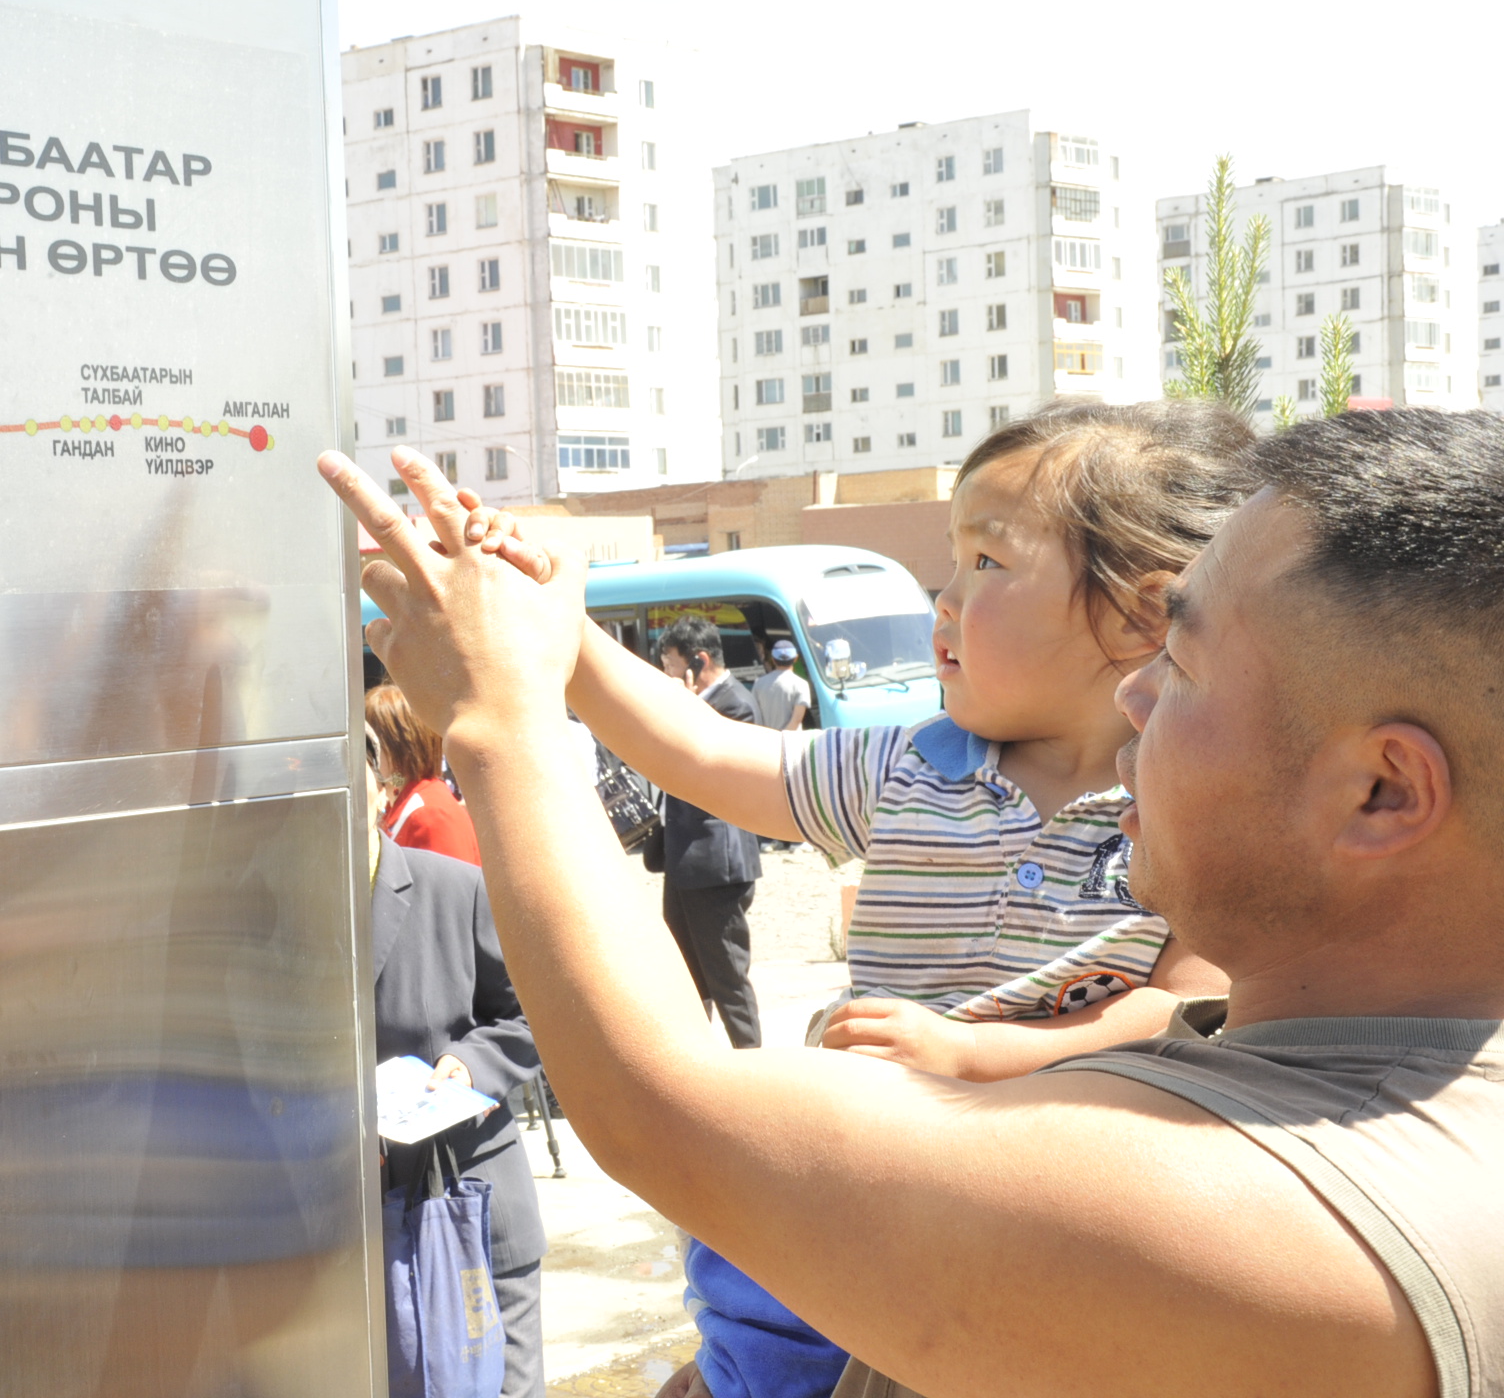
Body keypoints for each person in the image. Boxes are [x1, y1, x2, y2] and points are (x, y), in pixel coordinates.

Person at [320, 407, 1504, 1398]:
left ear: (1380, 790)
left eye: (1181, 667)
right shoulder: (1347, 1086)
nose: (1136, 697)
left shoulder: (1284, 1213)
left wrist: (501, 713)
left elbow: (670, 1118)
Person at [365, 744, 548, 1398]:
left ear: (381, 790)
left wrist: (470, 1065)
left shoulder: (455, 888)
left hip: (468, 1199)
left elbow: (532, 1014)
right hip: (361, 1225)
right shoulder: (285, 910)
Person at [655, 615, 764, 1049]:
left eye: (669, 663)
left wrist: (683, 706)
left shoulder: (736, 703)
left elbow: (706, 763)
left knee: (726, 975)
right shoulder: (702, 700)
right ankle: (695, 1062)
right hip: (685, 861)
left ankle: (753, 1064)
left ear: (697, 662)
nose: (665, 673)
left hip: (718, 864)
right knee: (683, 972)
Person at [368, 681, 481, 865]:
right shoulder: (404, 798)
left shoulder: (432, 814)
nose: (365, 755)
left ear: (397, 745)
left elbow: (448, 889)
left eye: (372, 744)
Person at [751, 639, 811, 733]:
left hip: (765, 740)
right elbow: (797, 719)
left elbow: (754, 714)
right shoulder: (801, 684)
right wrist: (781, 739)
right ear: (796, 658)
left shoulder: (759, 683)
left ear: (773, 659)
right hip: (791, 742)